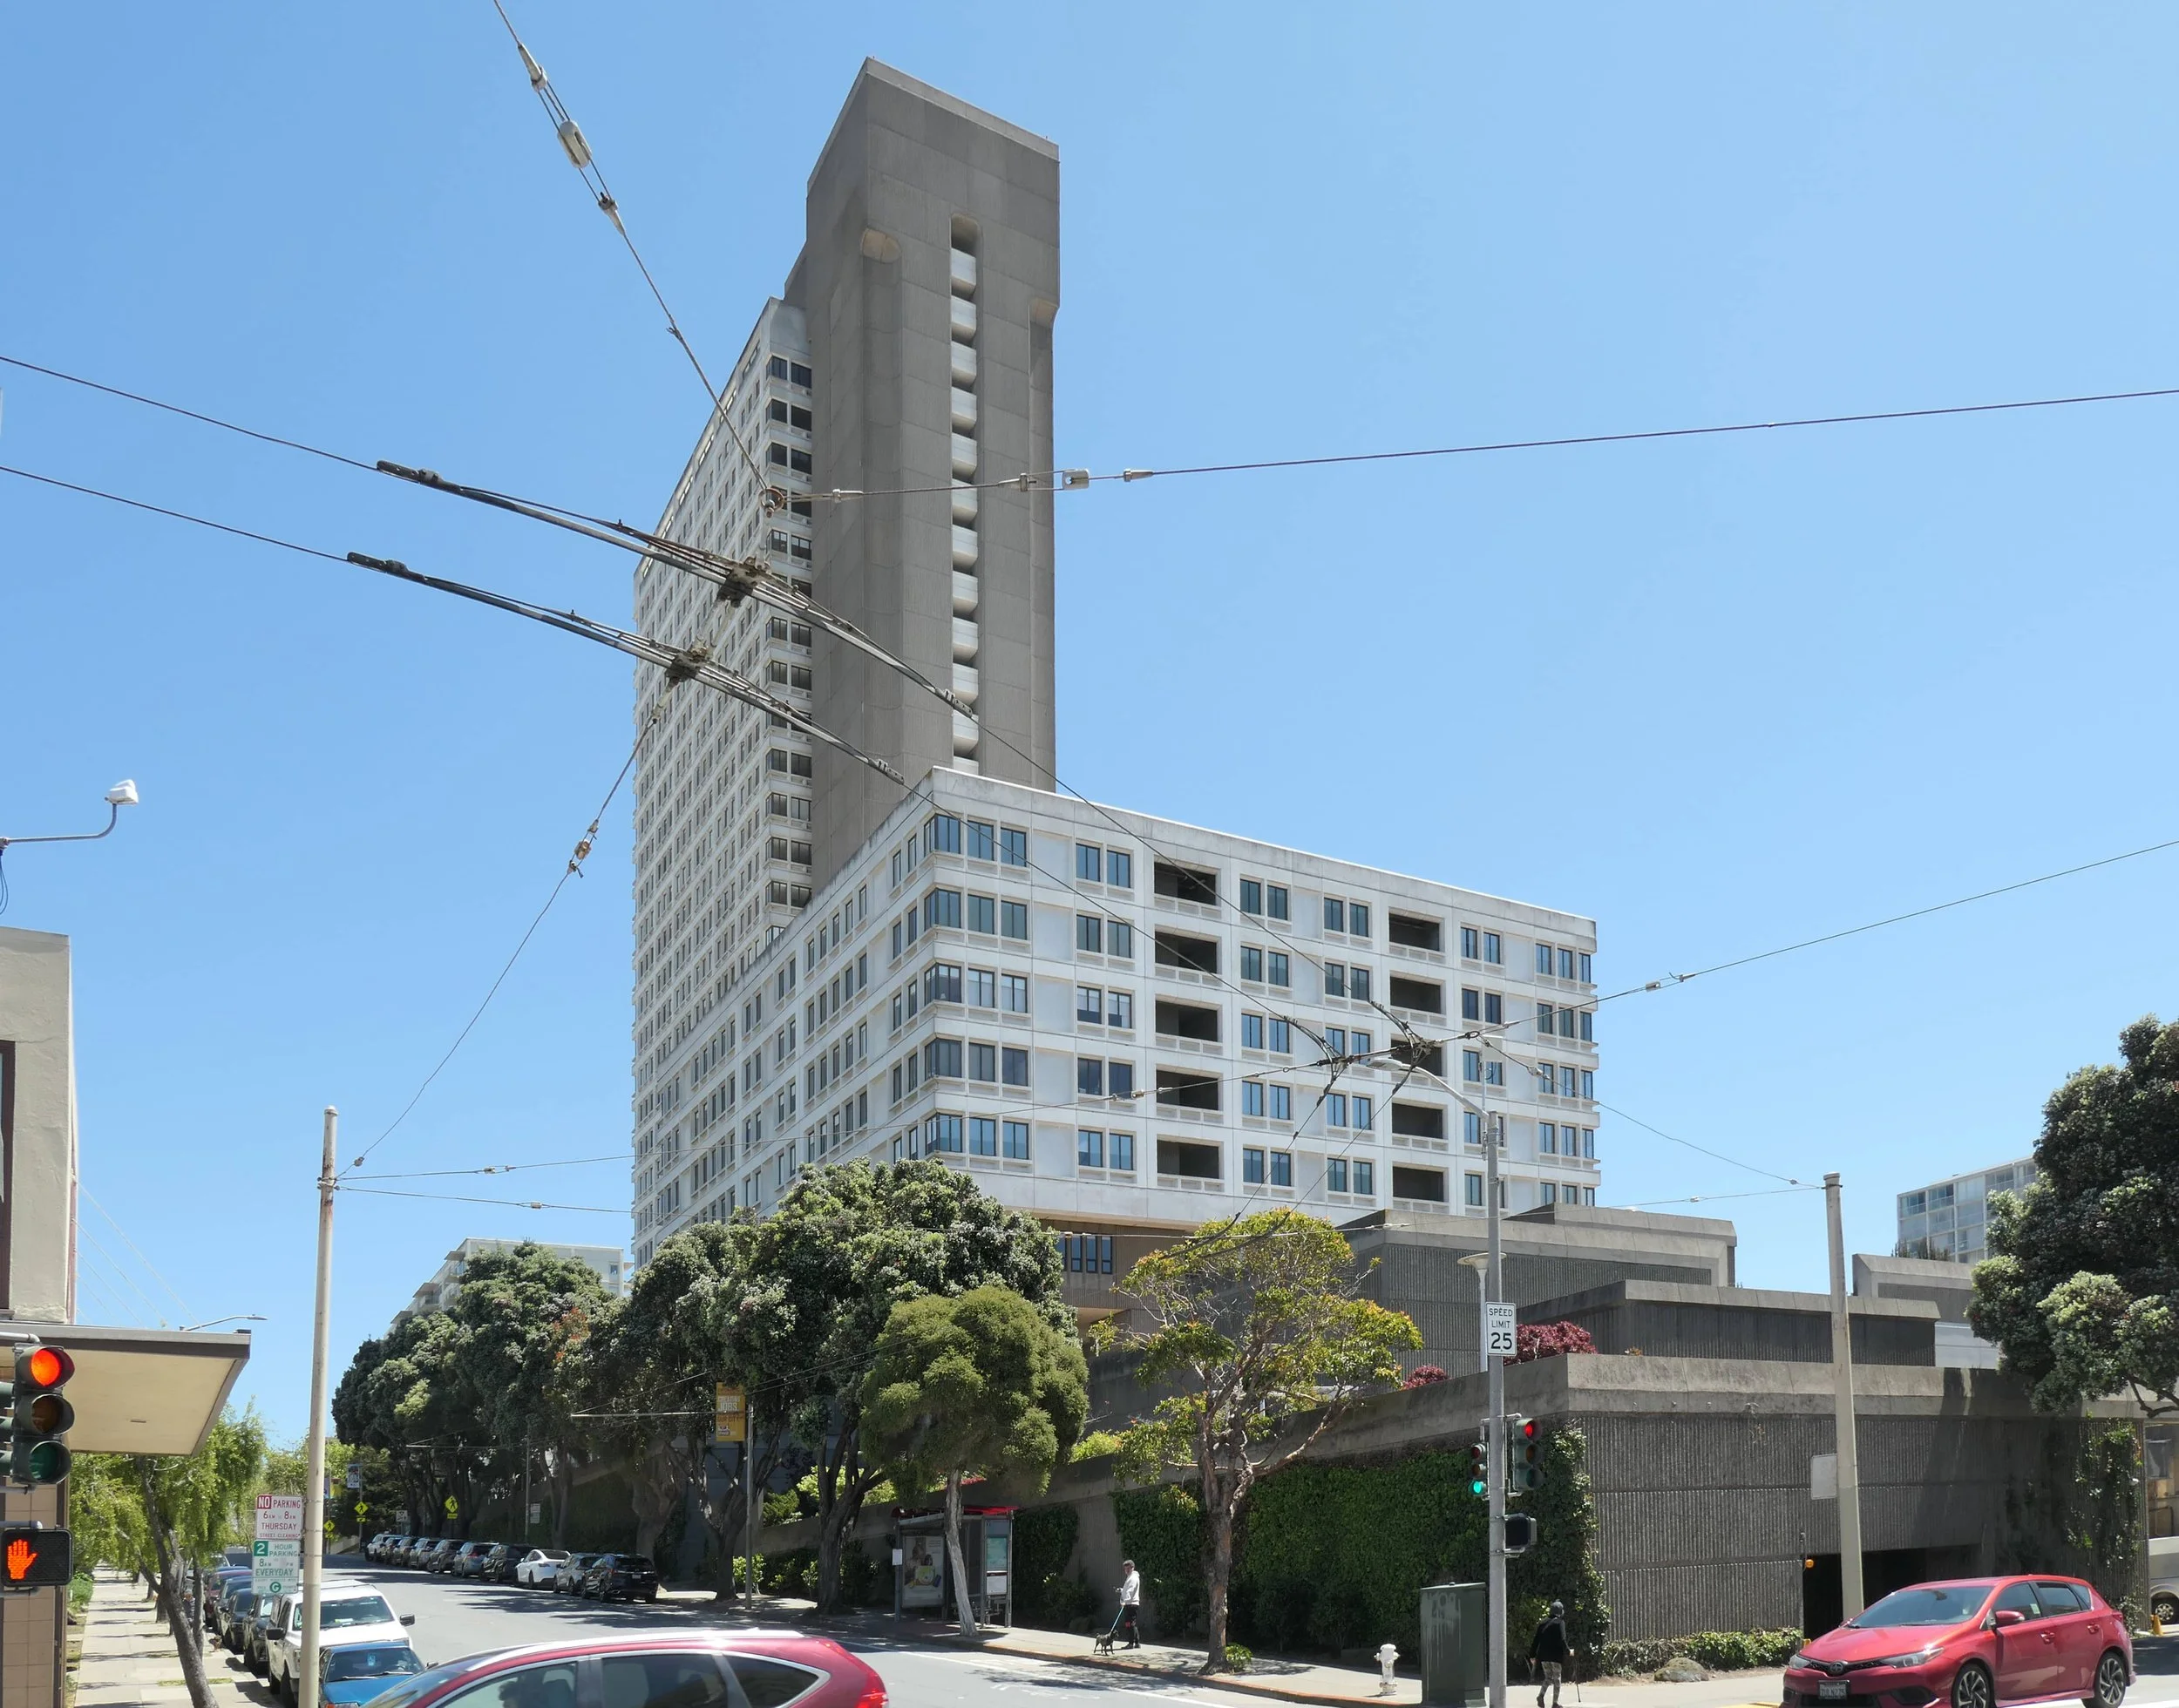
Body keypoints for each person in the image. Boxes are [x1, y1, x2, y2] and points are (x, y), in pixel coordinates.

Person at [1530, 1601, 1570, 1708]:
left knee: (1548, 1677)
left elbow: (1536, 1640)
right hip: (1555, 1656)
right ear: (1560, 1612)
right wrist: (1568, 1651)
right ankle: (1555, 1703)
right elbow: (1562, 1639)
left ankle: (1541, 1695)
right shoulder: (1560, 1622)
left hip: (1543, 1656)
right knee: (1557, 1679)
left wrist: (1532, 1655)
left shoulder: (1543, 1623)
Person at [1115, 1559, 1142, 1648]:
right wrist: (1121, 1590)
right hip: (1131, 1603)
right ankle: (1137, 1642)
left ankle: (1131, 1643)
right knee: (1132, 1623)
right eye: (1125, 1569)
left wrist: (1124, 1602)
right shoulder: (1131, 1577)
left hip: (1130, 1604)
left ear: (1132, 1568)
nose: (1126, 1571)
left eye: (1128, 1569)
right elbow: (1127, 1590)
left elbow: (1130, 1591)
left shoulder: (1133, 1578)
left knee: (1129, 1624)